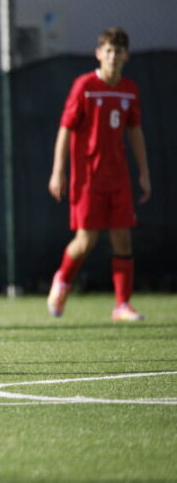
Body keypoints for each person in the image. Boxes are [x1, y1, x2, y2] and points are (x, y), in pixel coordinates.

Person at [47, 27, 151, 322]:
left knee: (123, 239)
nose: (113, 56)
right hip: (87, 178)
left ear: (126, 56)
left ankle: (122, 305)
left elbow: (135, 132)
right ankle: (62, 280)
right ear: (98, 54)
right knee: (86, 241)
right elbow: (66, 129)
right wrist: (58, 171)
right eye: (108, 51)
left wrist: (144, 173)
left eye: (118, 51)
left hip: (118, 177)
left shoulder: (129, 89)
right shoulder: (85, 86)